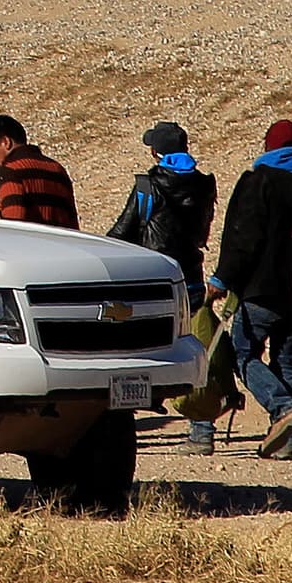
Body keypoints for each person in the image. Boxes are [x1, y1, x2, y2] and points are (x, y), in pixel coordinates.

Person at [109, 120, 218, 446]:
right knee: (192, 345)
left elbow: (123, 230)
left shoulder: (148, 186)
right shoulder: (204, 184)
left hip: (152, 281)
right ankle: (202, 430)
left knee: (135, 351)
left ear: (156, 152)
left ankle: (121, 424)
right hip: (191, 277)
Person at [215, 120, 292, 457]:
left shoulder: (258, 182)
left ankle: (282, 408)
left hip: (260, 288)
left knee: (241, 354)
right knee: (285, 360)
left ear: (269, 147)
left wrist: (222, 279)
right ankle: (287, 442)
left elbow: (243, 237)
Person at [0, 115, 77, 227]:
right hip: (64, 242)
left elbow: (13, 226)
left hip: (33, 242)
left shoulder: (10, 170)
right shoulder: (58, 169)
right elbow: (73, 222)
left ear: (6, 142)